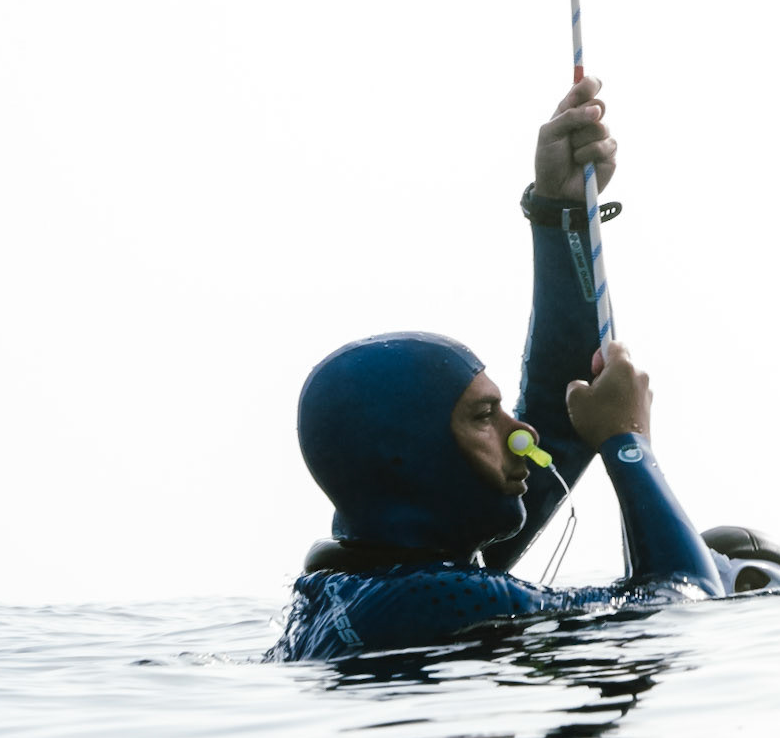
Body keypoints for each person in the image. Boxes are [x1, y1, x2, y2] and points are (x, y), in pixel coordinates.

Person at [273, 79, 737, 661]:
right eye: (483, 416)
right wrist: (629, 442)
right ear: (416, 458)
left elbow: (564, 411)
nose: (523, 433)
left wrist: (562, 211)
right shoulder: (439, 600)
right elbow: (683, 605)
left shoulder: (375, 582)